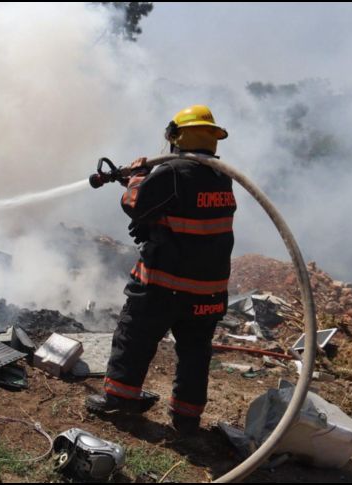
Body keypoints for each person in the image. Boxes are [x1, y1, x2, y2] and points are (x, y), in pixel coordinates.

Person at [85, 105, 237, 434]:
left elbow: (135, 204)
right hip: (208, 292)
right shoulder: (221, 176)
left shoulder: (173, 172)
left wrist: (138, 177)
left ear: (176, 136)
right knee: (195, 355)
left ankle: (120, 402)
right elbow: (184, 213)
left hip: (165, 285)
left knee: (134, 338)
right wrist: (148, 197)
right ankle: (186, 419)